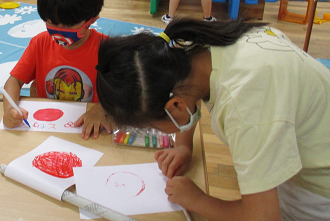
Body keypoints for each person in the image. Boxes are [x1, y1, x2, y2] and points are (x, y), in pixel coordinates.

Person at [95, 18, 330, 221]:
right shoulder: (199, 46)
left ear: (174, 106)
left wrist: (197, 200)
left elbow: (263, 217)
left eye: (154, 127)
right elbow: (187, 92)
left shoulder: (246, 107)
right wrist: (184, 145)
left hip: (318, 190)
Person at [2, 0, 112, 139]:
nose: (58, 30)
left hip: (90, 133)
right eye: (51, 22)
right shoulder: (40, 43)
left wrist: (102, 109)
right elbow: (13, 82)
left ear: (91, 20)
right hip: (48, 130)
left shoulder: (107, 48)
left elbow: (127, 94)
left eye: (68, 25)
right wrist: (10, 109)